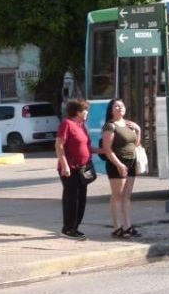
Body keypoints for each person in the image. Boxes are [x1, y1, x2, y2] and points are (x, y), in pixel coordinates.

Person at [101, 98, 142, 239]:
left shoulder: (129, 124)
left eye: (122, 106)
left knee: (127, 196)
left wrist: (138, 130)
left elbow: (136, 144)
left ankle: (128, 226)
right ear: (111, 110)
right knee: (117, 196)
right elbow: (107, 149)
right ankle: (117, 228)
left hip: (131, 162)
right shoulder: (110, 126)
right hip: (117, 163)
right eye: (116, 106)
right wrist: (119, 165)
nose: (120, 108)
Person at [55, 99, 93, 240]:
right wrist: (64, 165)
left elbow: (85, 147)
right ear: (78, 112)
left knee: (81, 199)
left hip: (83, 168)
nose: (87, 112)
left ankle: (75, 227)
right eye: (85, 110)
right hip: (70, 168)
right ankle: (68, 229)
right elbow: (59, 146)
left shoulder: (82, 125)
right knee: (72, 199)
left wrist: (103, 151)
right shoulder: (67, 124)